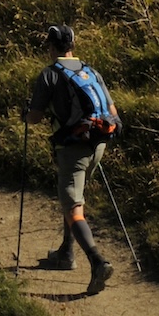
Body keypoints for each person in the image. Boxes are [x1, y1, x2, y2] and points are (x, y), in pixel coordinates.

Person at [25, 23, 118, 292]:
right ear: (73, 46)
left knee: (72, 207)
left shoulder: (49, 74)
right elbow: (112, 110)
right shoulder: (92, 71)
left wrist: (26, 113)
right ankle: (66, 253)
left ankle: (98, 261)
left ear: (51, 47)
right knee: (75, 199)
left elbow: (35, 117)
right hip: (98, 144)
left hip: (72, 147)